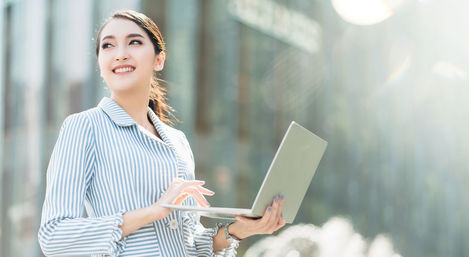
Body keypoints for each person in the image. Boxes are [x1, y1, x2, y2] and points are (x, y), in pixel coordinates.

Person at [38, 10, 285, 257]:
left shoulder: (177, 141)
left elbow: (190, 241)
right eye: (108, 45)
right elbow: (54, 236)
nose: (120, 53)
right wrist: (155, 211)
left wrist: (239, 230)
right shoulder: (84, 127)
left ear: (159, 60)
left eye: (134, 42)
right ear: (100, 64)